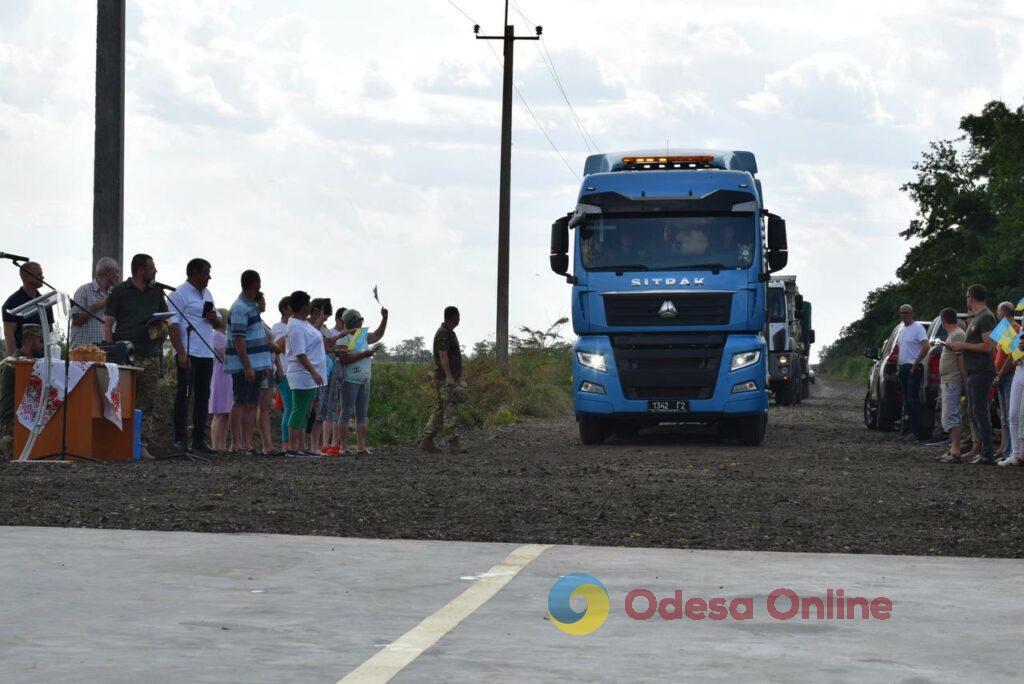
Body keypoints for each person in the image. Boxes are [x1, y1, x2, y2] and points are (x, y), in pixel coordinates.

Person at [104, 253, 167, 457]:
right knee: (121, 401)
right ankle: (118, 443)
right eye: (152, 267)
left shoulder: (157, 292)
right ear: (141, 270)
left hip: (150, 354)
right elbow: (108, 321)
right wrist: (109, 349)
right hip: (125, 355)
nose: (155, 271)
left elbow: (166, 319)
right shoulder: (120, 291)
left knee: (148, 401)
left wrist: (160, 327)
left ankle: (141, 446)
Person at [167, 258, 221, 454]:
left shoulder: (207, 293)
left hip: (206, 352)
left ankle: (199, 440)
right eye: (207, 273)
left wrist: (214, 318)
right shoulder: (178, 294)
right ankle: (180, 440)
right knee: (184, 395)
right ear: (195, 273)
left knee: (202, 396)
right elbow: (172, 325)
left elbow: (217, 323)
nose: (209, 277)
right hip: (188, 352)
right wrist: (181, 352)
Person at [947, 284, 997, 464]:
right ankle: (982, 450)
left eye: (967, 296)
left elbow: (989, 346)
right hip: (973, 371)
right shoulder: (977, 318)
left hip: (982, 371)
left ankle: (987, 454)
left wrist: (963, 346)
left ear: (971, 297)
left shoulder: (986, 317)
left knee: (980, 412)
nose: (966, 300)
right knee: (974, 411)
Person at [224, 270, 273, 454]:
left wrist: (264, 365)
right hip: (244, 366)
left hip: (258, 364)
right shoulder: (239, 308)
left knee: (252, 404)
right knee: (240, 402)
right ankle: (236, 443)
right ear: (255, 283)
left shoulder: (252, 307)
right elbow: (238, 339)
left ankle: (247, 443)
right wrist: (247, 366)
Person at [336, 306, 389, 455]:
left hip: (364, 381)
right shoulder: (343, 339)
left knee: (362, 414)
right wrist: (365, 354)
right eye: (359, 320)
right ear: (353, 322)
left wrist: (384, 319)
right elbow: (345, 359)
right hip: (350, 380)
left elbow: (378, 335)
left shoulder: (362, 336)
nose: (361, 323)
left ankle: (361, 446)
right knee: (346, 412)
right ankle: (344, 447)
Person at [419, 306, 467, 455]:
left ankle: (427, 441)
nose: (459, 319)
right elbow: (443, 356)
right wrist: (449, 377)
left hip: (446, 378)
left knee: (439, 410)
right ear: (452, 317)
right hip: (445, 380)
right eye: (458, 316)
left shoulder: (449, 333)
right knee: (450, 409)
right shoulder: (443, 334)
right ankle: (454, 444)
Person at [285, 291, 327, 456]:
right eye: (308, 303)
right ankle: (292, 448)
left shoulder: (303, 323)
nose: (310, 306)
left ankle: (301, 447)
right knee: (299, 410)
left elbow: (311, 339)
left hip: (310, 375)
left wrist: (320, 320)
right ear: (303, 306)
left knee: (305, 411)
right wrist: (313, 372)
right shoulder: (295, 325)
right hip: (303, 375)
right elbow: (300, 353)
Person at [0, 323, 44, 460]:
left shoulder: (26, 362)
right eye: (41, 341)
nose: (43, 346)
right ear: (30, 339)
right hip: (12, 425)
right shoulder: (16, 364)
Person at [937, 309, 968, 463]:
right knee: (948, 415)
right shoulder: (953, 334)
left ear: (943, 321)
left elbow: (961, 359)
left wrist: (964, 380)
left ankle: (956, 450)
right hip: (949, 380)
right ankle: (952, 447)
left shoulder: (957, 334)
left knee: (952, 414)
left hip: (953, 380)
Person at [3, 261, 52, 356]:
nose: (42, 277)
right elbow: (9, 335)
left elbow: (50, 332)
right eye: (39, 274)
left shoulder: (46, 301)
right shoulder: (12, 302)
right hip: (21, 357)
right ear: (26, 277)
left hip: (43, 358)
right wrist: (14, 362)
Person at [895, 304, 929, 440]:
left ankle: (915, 432)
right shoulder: (902, 330)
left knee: (912, 400)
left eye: (907, 313)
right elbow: (899, 348)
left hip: (913, 368)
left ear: (912, 313)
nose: (904, 315)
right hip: (903, 368)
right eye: (902, 313)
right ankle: (907, 429)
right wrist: (898, 365)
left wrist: (915, 363)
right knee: (906, 401)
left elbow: (926, 346)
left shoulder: (918, 328)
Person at [70, 257, 119, 347]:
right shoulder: (84, 290)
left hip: (105, 353)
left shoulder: (114, 294)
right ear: (106, 271)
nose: (118, 275)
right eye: (116, 271)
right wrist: (98, 305)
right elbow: (76, 320)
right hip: (82, 353)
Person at [991, 301, 1019, 461]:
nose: (996, 314)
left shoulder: (1014, 329)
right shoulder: (1003, 329)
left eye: (998, 312)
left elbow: (1011, 356)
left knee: (1010, 415)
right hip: (1001, 376)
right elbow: (998, 351)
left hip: (1008, 376)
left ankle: (1011, 452)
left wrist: (1000, 374)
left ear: (1003, 313)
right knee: (1004, 417)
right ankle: (1007, 449)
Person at [255, 291, 281, 455]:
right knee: (262, 407)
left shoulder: (261, 321)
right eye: (263, 299)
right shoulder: (255, 322)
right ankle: (266, 445)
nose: (265, 302)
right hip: (262, 366)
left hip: (269, 365)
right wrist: (275, 347)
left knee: (265, 407)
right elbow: (263, 342)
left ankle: (267, 444)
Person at [321, 308, 348, 455]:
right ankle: (325, 444)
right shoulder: (329, 333)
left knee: (338, 410)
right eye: (344, 320)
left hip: (342, 374)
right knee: (327, 410)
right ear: (338, 319)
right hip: (329, 374)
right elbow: (327, 348)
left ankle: (335, 443)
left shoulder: (350, 335)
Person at [208, 309, 233, 452]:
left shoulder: (225, 335)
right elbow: (226, 356)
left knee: (226, 413)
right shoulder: (216, 336)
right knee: (220, 414)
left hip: (228, 376)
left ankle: (222, 446)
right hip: (221, 376)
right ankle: (216, 446)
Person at [271, 296, 292, 445]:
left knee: (298, 409)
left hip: (297, 372)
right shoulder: (277, 327)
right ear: (284, 309)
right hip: (284, 372)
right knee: (289, 408)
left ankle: (295, 443)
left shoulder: (298, 325)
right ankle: (286, 444)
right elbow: (279, 347)